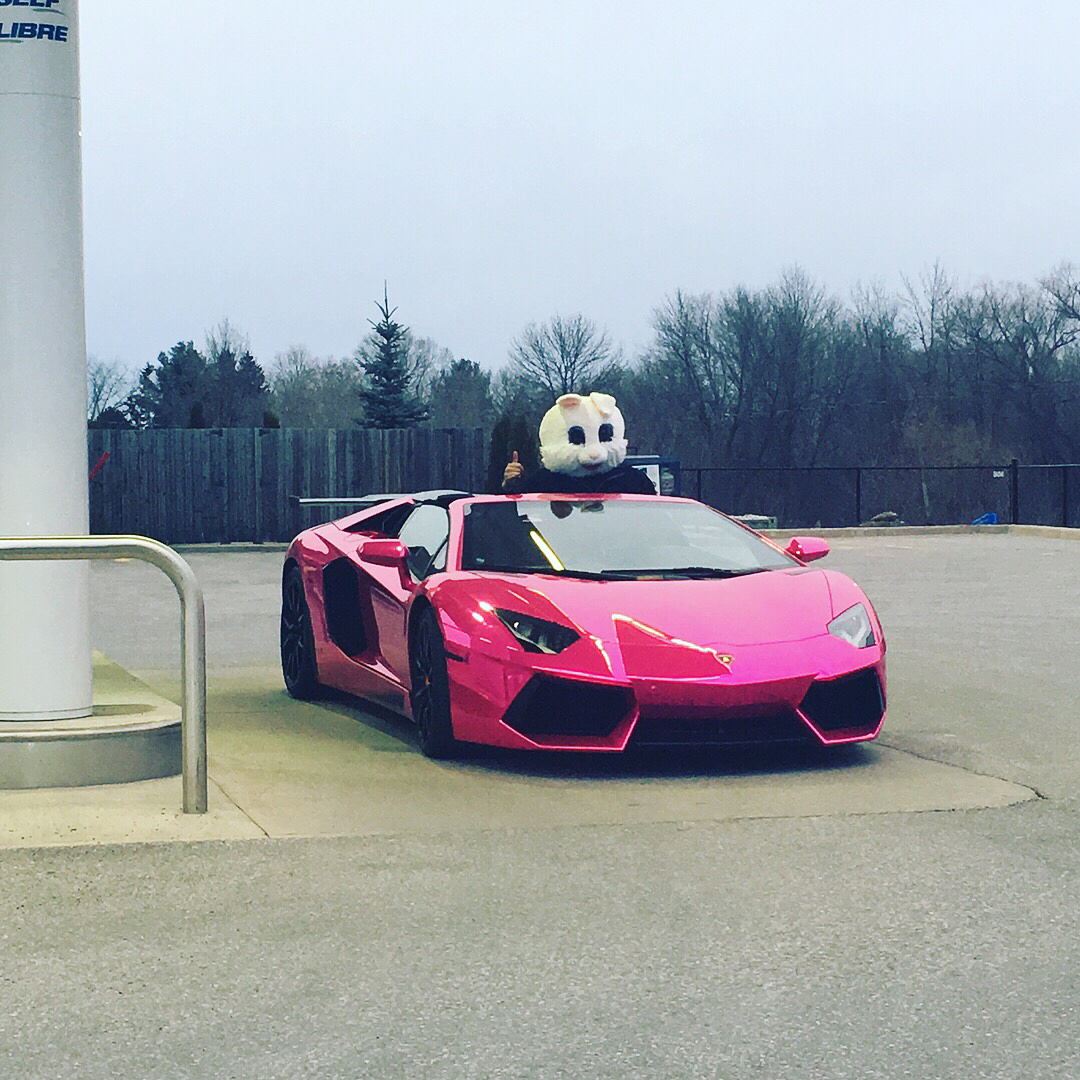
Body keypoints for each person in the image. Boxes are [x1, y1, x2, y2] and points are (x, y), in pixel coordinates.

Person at [502, 392, 656, 495]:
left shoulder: (632, 481)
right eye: (577, 439)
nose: (594, 452)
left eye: (604, 437)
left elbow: (654, 521)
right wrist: (513, 485)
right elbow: (515, 521)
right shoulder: (543, 482)